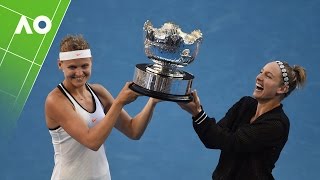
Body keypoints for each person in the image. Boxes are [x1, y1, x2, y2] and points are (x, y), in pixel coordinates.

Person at [45, 34, 159, 180]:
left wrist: (152, 101)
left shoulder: (98, 92)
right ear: (60, 64)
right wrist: (119, 102)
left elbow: (133, 130)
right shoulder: (56, 100)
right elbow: (92, 141)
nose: (79, 73)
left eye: (84, 66)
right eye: (72, 67)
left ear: (91, 62)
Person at [178, 60, 307, 180]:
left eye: (268, 76)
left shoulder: (276, 125)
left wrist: (197, 113)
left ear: (282, 88)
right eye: (261, 72)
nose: (259, 77)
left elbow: (232, 142)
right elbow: (214, 139)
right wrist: (197, 113)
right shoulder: (245, 105)